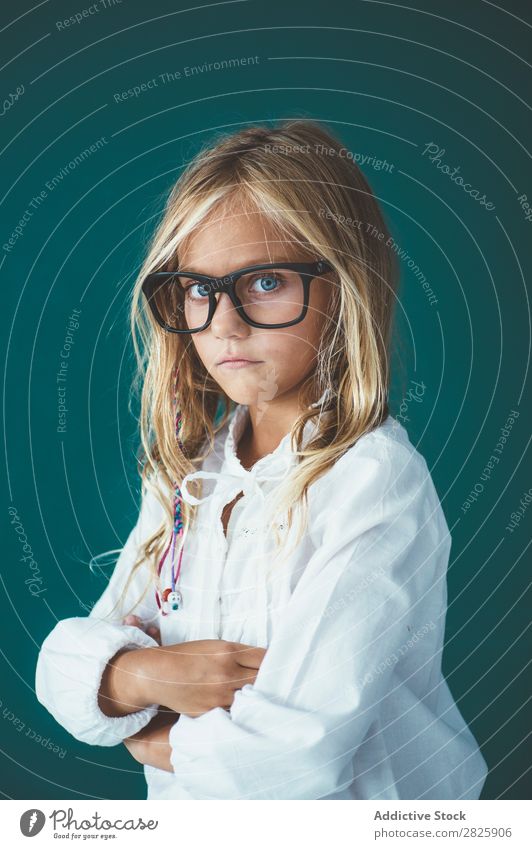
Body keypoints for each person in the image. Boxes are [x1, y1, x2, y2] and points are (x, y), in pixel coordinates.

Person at [35, 119, 488, 800]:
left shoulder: (372, 481)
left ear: (342, 287)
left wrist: (159, 738)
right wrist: (137, 676)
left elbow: (295, 755)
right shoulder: (190, 476)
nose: (223, 322)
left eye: (266, 281)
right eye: (197, 288)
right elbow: (62, 675)